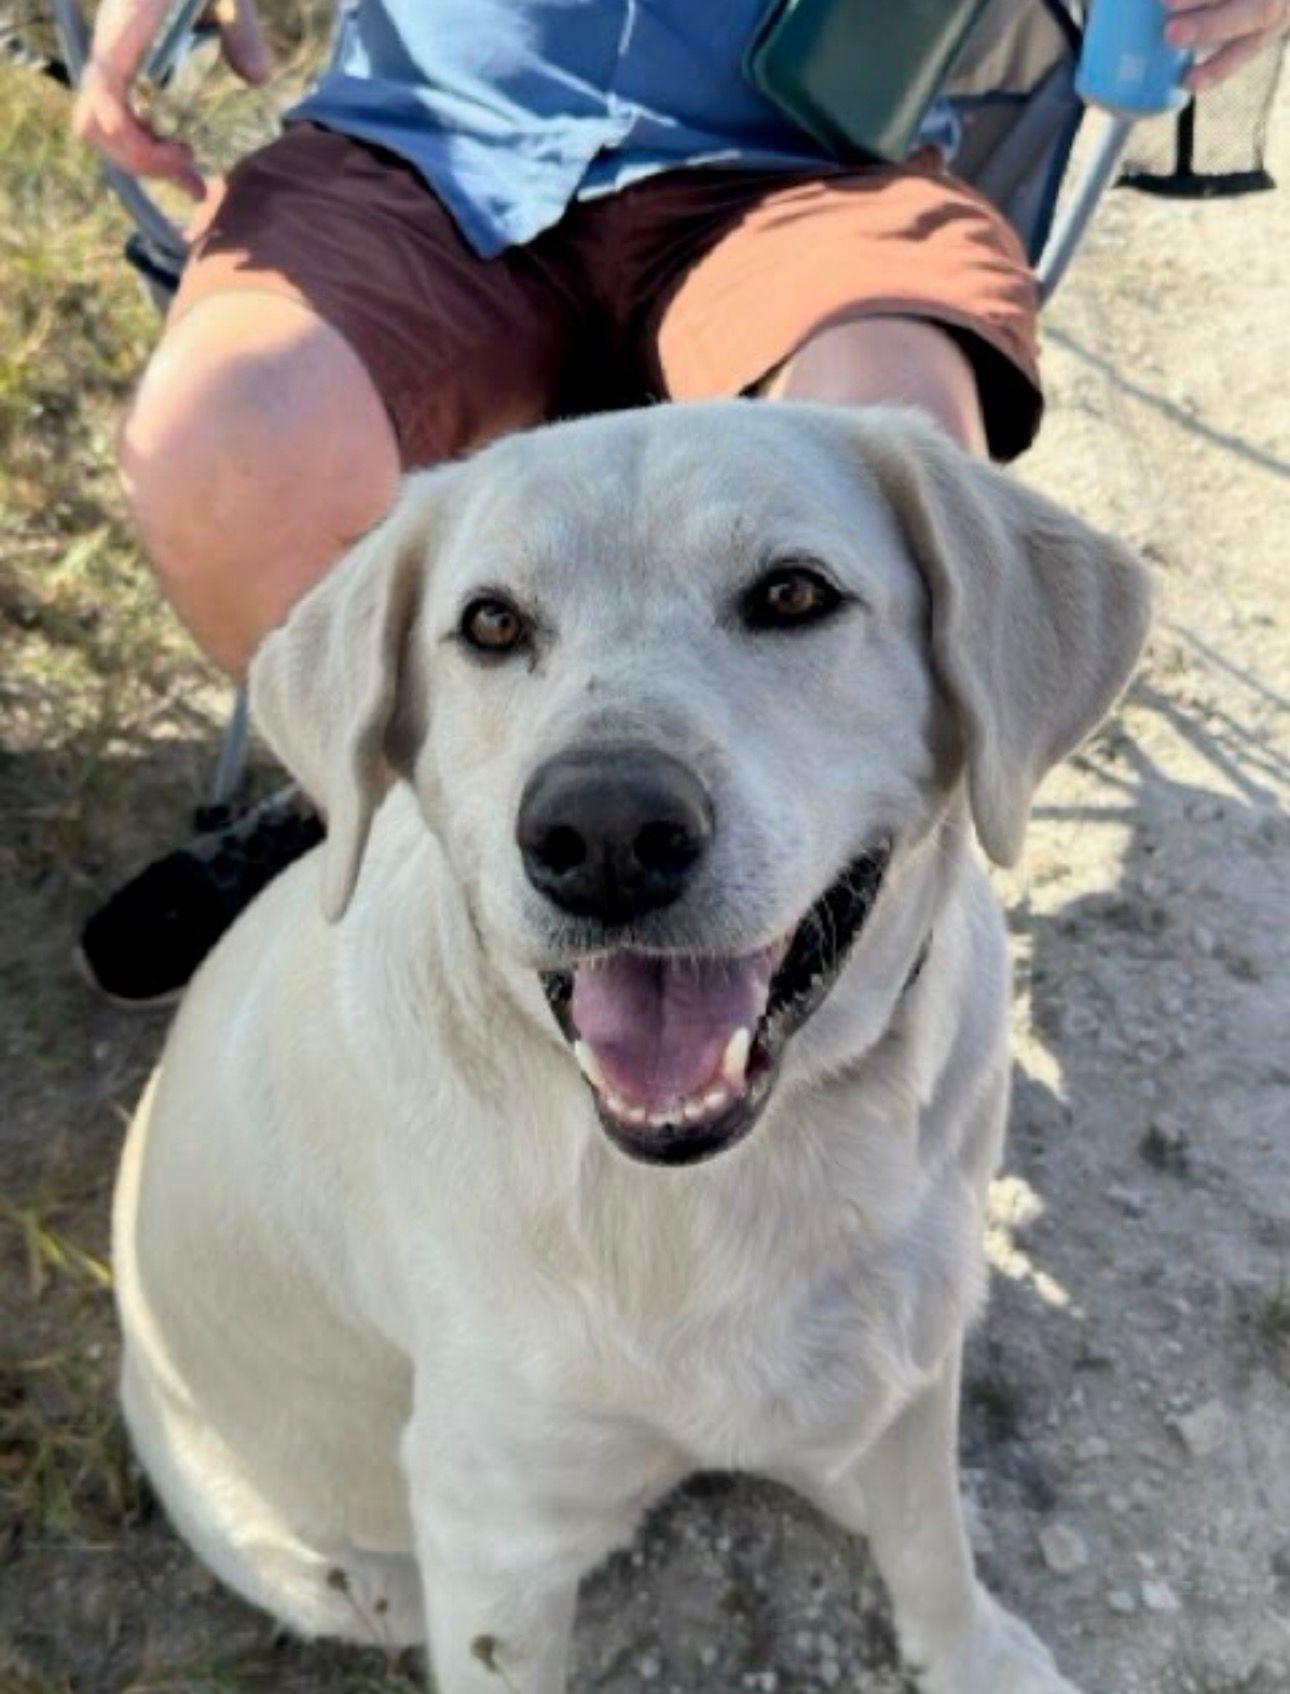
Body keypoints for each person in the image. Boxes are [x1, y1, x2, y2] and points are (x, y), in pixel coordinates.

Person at [72, 0, 1286, 1003]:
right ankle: (378, 825)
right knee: (226, 439)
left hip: (808, 167)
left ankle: (827, 925)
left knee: (890, 426)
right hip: (422, 142)